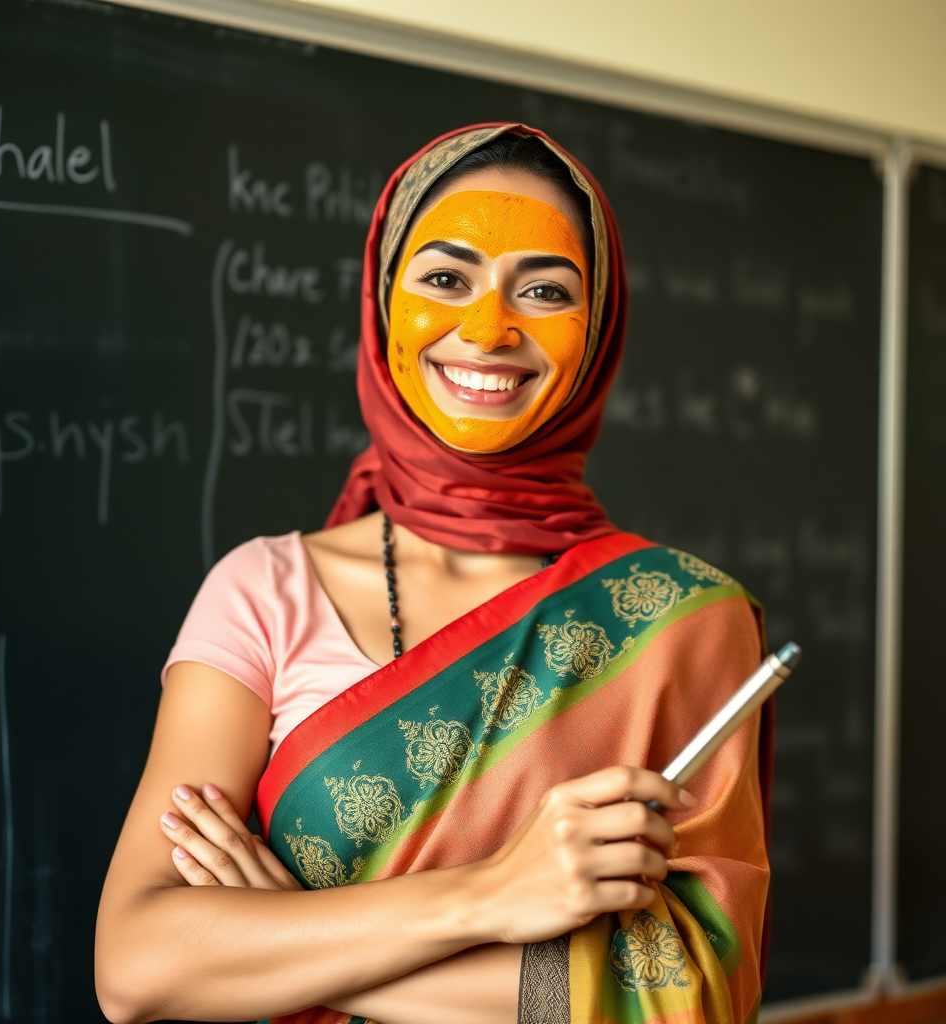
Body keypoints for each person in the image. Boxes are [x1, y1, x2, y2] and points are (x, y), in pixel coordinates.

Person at [95, 123, 771, 1024]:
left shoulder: (684, 620)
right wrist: (491, 895)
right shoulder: (265, 592)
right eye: (447, 280)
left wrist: (288, 938)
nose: (490, 330)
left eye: (543, 291)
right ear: (383, 305)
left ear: (598, 330)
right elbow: (137, 965)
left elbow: (689, 995)